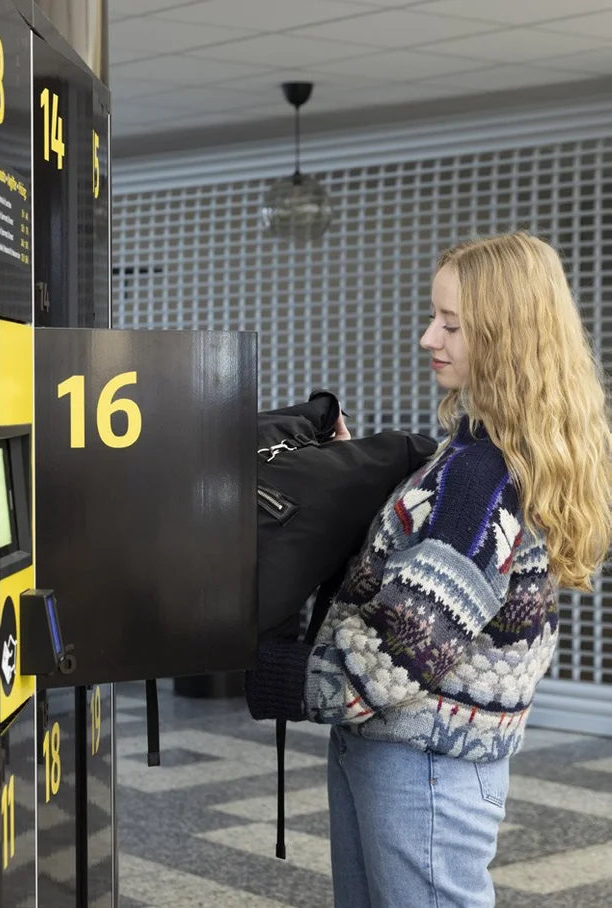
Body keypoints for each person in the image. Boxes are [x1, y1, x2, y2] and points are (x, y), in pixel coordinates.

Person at [245, 232, 612, 908]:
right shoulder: (476, 451)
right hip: (405, 750)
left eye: (451, 324)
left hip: (422, 766)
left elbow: (400, 651)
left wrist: (270, 670)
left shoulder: (482, 476)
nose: (427, 338)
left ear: (506, 338)